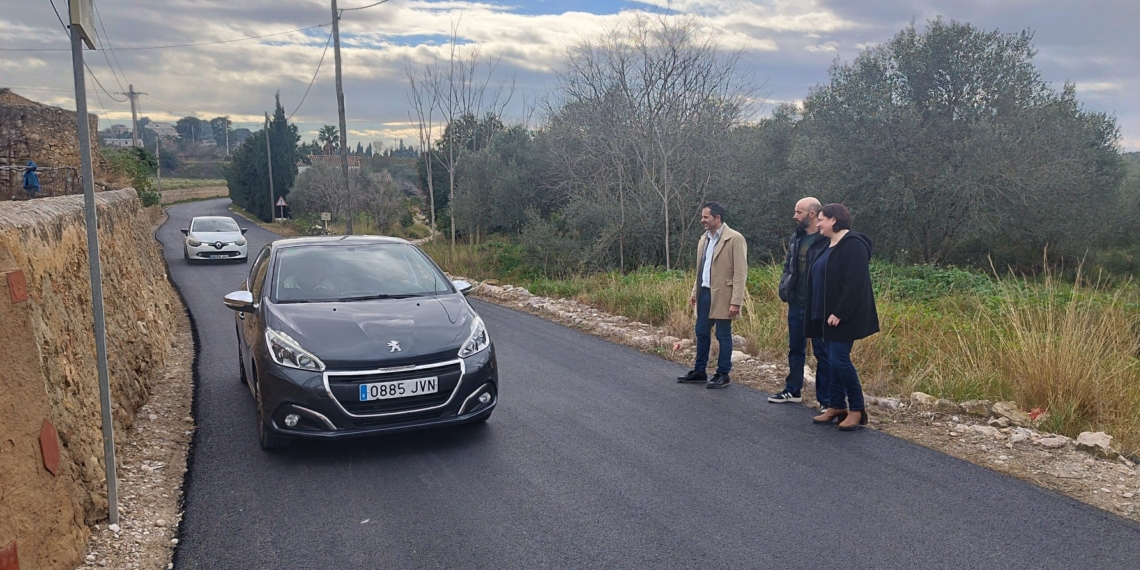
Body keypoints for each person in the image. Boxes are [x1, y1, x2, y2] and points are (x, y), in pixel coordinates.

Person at [805, 204, 879, 430]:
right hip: (824, 315)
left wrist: (840, 312)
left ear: (834, 220)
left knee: (839, 360)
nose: (818, 224)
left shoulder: (854, 245)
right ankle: (836, 406)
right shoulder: (828, 244)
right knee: (830, 360)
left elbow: (855, 283)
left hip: (842, 317)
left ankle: (857, 409)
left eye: (821, 219)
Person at [677, 201, 748, 389]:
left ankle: (722, 373)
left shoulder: (735, 238)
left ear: (717, 218)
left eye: (705, 217)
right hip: (704, 293)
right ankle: (699, 371)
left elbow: (741, 272)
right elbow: (701, 269)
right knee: (701, 331)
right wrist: (695, 291)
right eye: (702, 217)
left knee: (723, 335)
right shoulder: (704, 239)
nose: (702, 220)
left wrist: (736, 302)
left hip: (725, 295)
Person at [770, 198, 831, 408]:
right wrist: (784, 286)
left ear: (812, 214)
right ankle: (792, 390)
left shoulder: (826, 239)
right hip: (796, 302)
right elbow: (789, 264)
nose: (795, 216)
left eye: (799, 212)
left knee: (822, 352)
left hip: (818, 306)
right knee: (795, 348)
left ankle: (825, 400)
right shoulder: (797, 237)